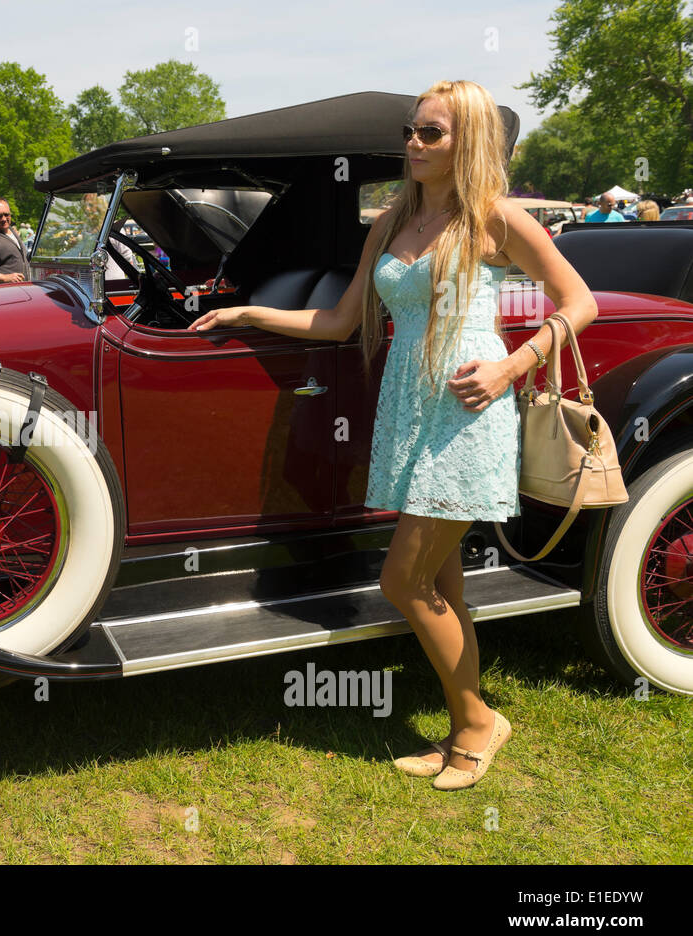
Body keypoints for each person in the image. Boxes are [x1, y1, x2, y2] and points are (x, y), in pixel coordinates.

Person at [189, 80, 598, 790]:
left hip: (468, 410)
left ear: (465, 140)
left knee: (401, 578)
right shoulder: (390, 220)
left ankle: (476, 725)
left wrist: (512, 366)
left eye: (431, 133)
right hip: (407, 409)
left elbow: (579, 301)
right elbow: (341, 322)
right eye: (411, 131)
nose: (413, 143)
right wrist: (248, 314)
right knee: (439, 581)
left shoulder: (494, 219)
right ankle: (465, 722)